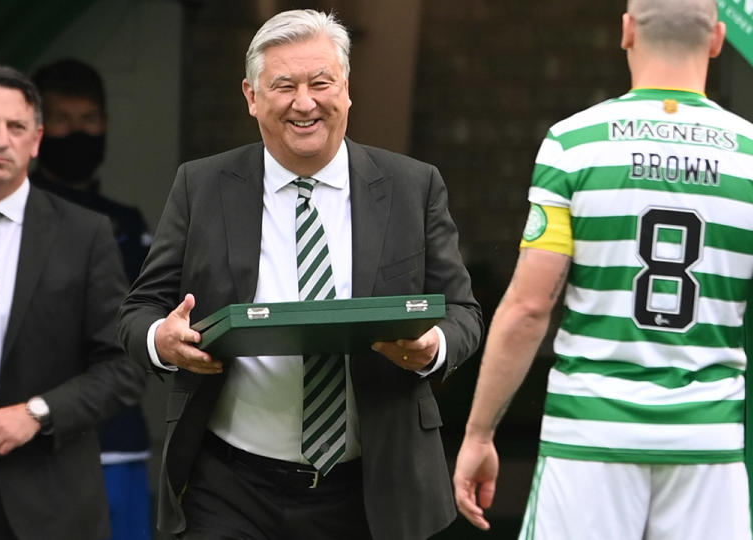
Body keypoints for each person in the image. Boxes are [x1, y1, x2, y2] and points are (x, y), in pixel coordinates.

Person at [452, 1, 753, 539]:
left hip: (588, 439)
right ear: (718, 40)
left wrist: (478, 433)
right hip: (707, 447)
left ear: (626, 32)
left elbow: (530, 308)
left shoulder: (574, 147)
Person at [117, 9, 482, 540]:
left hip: (372, 486)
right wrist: (161, 339)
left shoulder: (412, 186)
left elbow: (464, 313)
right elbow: (139, 311)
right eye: (283, 85)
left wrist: (434, 346)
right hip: (230, 484)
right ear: (251, 96)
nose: (304, 103)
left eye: (321, 83)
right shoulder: (202, 185)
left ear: (347, 89)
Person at [0, 65, 145, 539]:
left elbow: (126, 366)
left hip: (48, 502)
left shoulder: (85, 235)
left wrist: (37, 413)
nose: (0, 140)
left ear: (36, 140)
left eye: (16, 127)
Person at [30, 58, 153, 540]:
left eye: (89, 120)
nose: (78, 133)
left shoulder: (127, 223)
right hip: (35, 438)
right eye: (62, 120)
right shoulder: (10, 218)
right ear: (38, 129)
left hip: (118, 438)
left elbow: (143, 323)